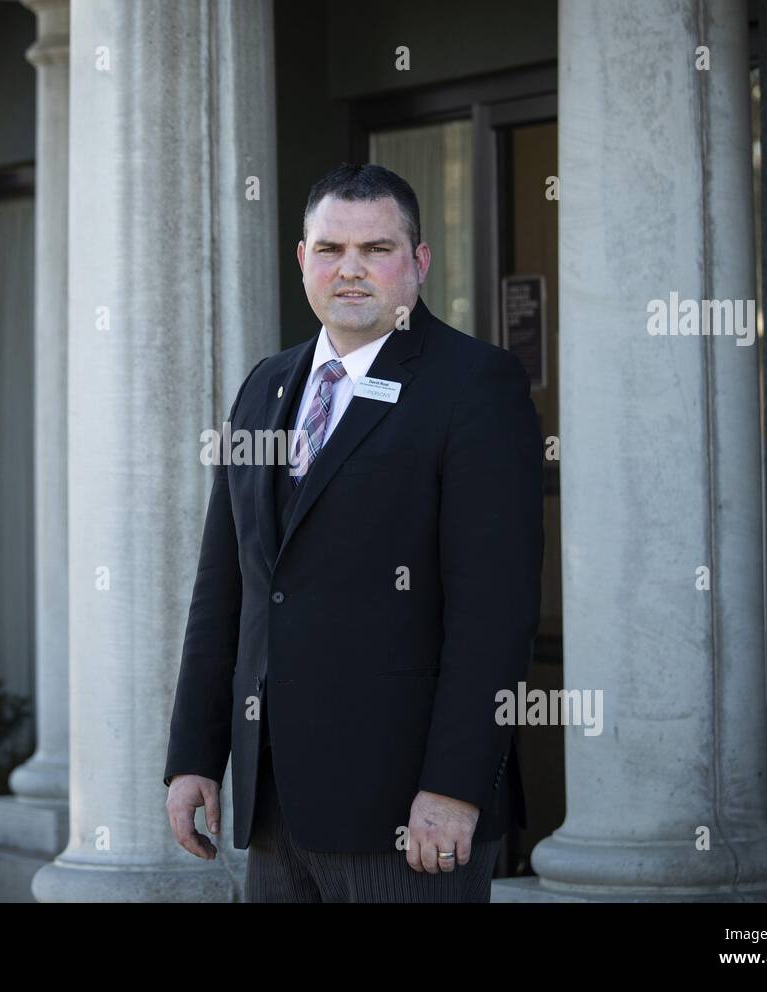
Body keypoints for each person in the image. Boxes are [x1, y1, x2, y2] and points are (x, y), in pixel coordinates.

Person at [163, 163, 543, 903]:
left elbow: (494, 615)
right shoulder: (263, 387)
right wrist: (194, 756)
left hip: (407, 813)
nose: (352, 271)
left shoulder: (476, 385)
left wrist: (454, 788)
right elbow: (226, 587)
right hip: (275, 806)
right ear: (303, 260)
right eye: (332, 250)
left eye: (377, 249)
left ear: (419, 262)